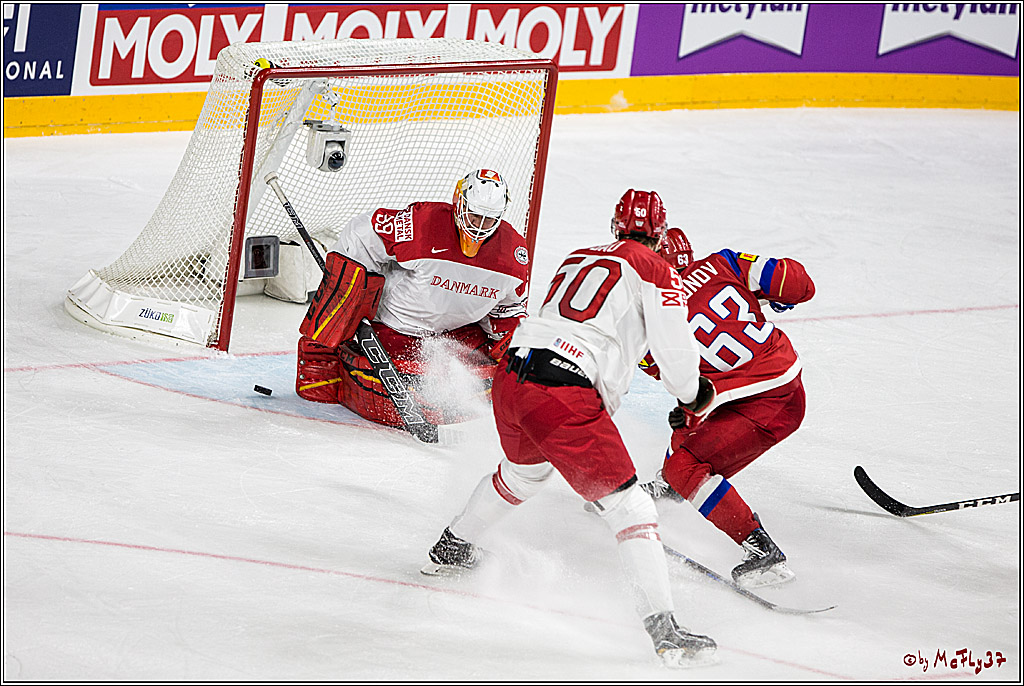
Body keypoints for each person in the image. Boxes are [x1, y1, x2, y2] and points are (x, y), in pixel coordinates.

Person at [422, 190, 719, 667]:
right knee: (631, 505)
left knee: (524, 476)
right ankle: (666, 632)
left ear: (614, 226)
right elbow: (677, 358)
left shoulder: (578, 256)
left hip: (513, 377)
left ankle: (452, 547)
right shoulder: (657, 269)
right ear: (660, 233)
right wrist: (693, 397)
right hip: (562, 389)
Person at [638, 227, 815, 589]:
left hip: (762, 405)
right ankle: (670, 486)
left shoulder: (653, 324)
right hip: (784, 385)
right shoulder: (724, 263)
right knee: (687, 437)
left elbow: (679, 382)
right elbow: (800, 284)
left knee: (684, 464)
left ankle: (763, 552)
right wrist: (775, 294)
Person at [294, 169, 529, 428]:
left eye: (488, 219)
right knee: (420, 381)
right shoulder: (423, 225)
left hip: (457, 333)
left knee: (496, 372)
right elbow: (362, 233)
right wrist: (353, 289)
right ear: (459, 201)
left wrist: (512, 349)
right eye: (474, 215)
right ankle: (324, 368)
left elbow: (508, 311)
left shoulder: (513, 254)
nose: (478, 226)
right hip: (398, 329)